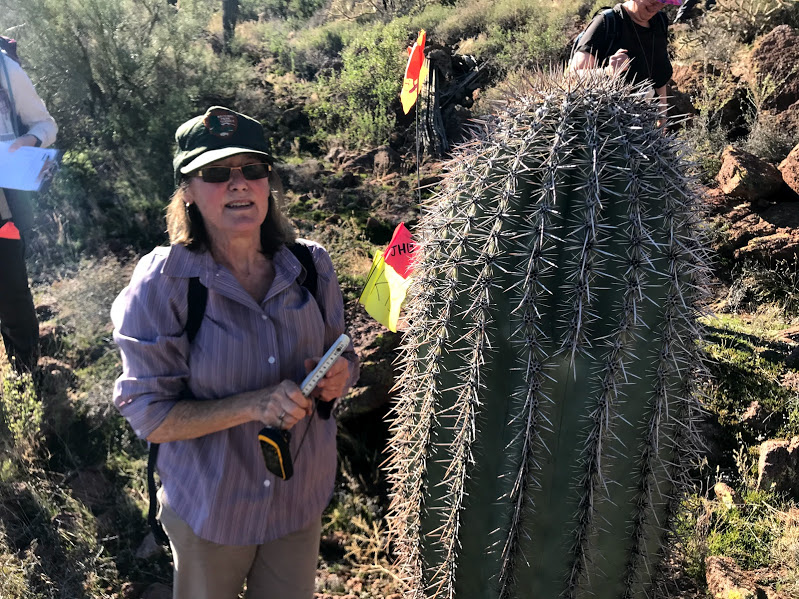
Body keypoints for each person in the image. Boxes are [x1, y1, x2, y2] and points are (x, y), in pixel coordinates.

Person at [111, 106, 359, 599]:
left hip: (297, 501)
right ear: (187, 191)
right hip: (212, 511)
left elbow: (345, 355)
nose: (239, 184)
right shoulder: (165, 284)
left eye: (253, 170)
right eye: (216, 174)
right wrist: (252, 405)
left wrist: (340, 377)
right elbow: (150, 415)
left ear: (269, 182)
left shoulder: (311, 266)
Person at [0, 38, 57, 373]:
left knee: (13, 300)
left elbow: (46, 125)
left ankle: (27, 379)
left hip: (5, 211)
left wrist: (30, 140)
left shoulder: (6, 68)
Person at [568, 0, 681, 127]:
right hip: (606, 128)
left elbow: (660, 76)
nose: (658, 5)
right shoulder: (606, 23)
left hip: (643, 124)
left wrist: (662, 118)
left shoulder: (659, 21)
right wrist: (607, 72)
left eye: (665, 1)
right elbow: (573, 76)